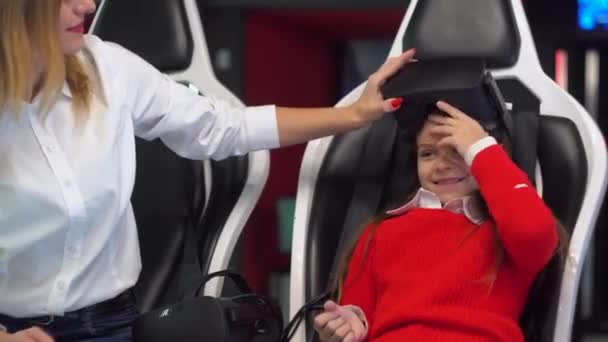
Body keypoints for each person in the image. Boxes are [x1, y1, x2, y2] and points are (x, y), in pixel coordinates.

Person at [0, 0, 416, 341]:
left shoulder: (107, 68)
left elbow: (222, 127)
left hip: (111, 326)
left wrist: (354, 115)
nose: (87, 5)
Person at [313, 101, 566, 342]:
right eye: (428, 153)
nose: (442, 165)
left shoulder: (508, 231)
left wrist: (480, 150)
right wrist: (346, 326)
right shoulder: (378, 233)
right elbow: (355, 314)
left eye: (457, 150)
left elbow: (534, 233)